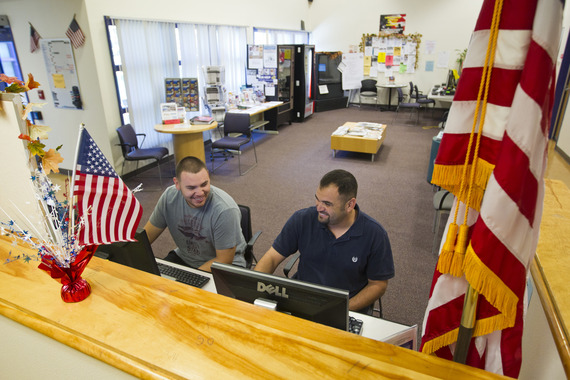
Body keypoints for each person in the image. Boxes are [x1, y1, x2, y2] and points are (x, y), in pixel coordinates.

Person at [255, 169, 394, 313]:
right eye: (317, 199)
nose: (319, 208)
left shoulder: (375, 234)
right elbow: (271, 257)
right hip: (302, 302)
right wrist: (254, 288)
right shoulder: (303, 219)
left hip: (346, 308)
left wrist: (343, 309)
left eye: (327, 204)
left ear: (349, 205)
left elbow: (378, 285)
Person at [144, 156, 246, 272]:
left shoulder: (225, 210)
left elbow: (224, 260)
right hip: (185, 258)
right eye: (191, 188)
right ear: (177, 184)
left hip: (224, 266)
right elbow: (146, 236)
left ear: (208, 176)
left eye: (204, 184)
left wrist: (192, 277)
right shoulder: (169, 197)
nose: (200, 193)